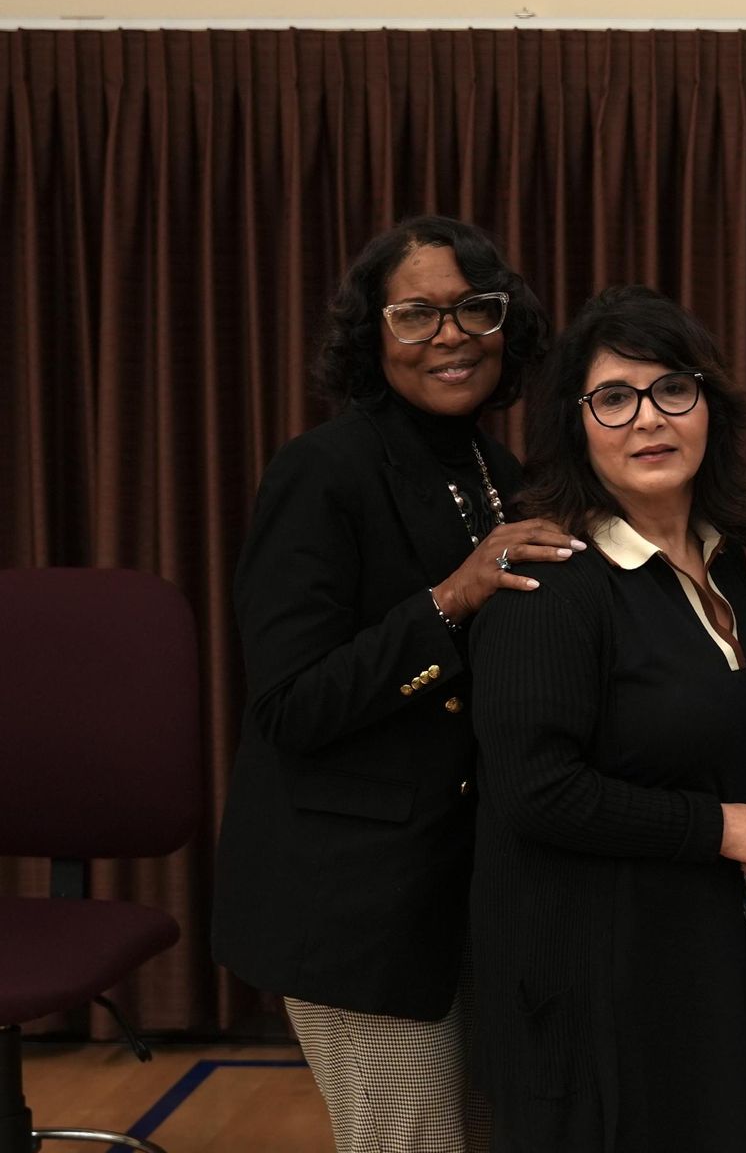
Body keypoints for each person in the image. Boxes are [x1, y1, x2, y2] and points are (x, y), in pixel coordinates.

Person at [213, 215, 567, 1153]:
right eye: (416, 315)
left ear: (508, 326)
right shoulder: (321, 471)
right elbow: (291, 705)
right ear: (373, 336)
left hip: (467, 896)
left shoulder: (497, 470)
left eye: (472, 310)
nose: (449, 337)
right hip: (355, 912)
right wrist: (451, 598)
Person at [466, 286, 746, 1152]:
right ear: (575, 425)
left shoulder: (724, 562)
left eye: (671, 390)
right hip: (591, 986)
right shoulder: (551, 580)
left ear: (709, 407)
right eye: (614, 398)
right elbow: (536, 792)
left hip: (703, 962)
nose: (648, 420)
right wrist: (723, 827)